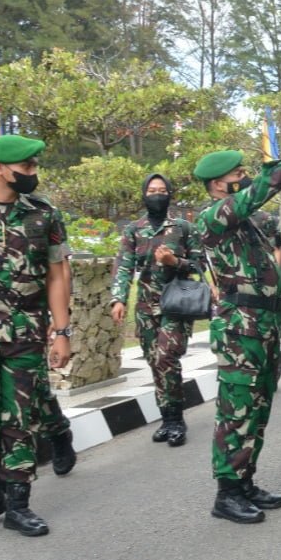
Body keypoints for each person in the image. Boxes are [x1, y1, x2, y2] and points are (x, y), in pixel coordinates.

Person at [193, 129, 281, 524]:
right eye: (237, 173)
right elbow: (259, 191)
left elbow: (258, 196)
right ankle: (227, 492)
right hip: (240, 329)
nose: (243, 176)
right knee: (237, 409)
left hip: (263, 324)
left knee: (257, 408)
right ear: (217, 183)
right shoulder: (215, 216)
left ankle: (245, 480)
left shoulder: (248, 222)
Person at [0, 135, 71, 537]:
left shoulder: (44, 215)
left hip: (25, 332)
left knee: (19, 418)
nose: (33, 174)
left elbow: (58, 274)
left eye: (35, 166)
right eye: (26, 168)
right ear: (0, 168)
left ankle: (19, 505)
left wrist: (62, 331)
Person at [110, 174, 201, 446]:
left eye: (162, 190)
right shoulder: (133, 230)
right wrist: (118, 299)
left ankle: (176, 420)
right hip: (146, 308)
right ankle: (166, 417)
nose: (157, 195)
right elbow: (123, 267)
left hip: (176, 304)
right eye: (152, 190)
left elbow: (199, 267)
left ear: (170, 194)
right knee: (154, 362)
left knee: (166, 358)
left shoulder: (184, 229)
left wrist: (176, 261)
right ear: (144, 194)